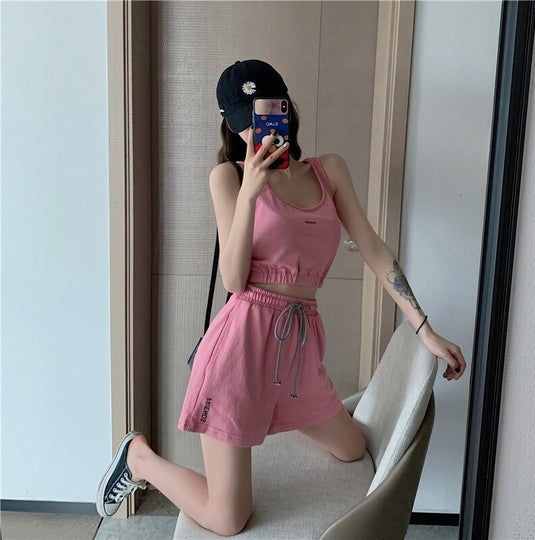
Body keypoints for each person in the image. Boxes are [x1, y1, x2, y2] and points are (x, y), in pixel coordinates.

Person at [96, 59, 466, 536]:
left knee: (352, 449)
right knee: (229, 518)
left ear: (287, 107)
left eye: (268, 113)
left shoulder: (329, 171)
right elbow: (234, 281)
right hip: (240, 350)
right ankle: (138, 458)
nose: (260, 130)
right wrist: (251, 193)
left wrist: (425, 330)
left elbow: (373, 248)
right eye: (246, 122)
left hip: (296, 353)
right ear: (232, 126)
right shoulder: (227, 178)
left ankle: (273, 409)